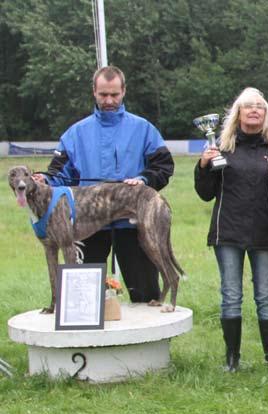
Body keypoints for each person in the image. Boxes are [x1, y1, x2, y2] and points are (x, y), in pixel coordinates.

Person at [34, 65, 174, 304]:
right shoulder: (75, 133)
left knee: (145, 295)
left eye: (114, 95)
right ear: (94, 92)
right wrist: (44, 180)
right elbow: (57, 174)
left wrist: (143, 180)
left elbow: (163, 167)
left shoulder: (144, 129)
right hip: (87, 225)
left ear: (124, 92)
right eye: (103, 95)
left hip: (133, 224)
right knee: (85, 301)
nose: (109, 100)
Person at [194, 87, 268, 371]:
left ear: (266, 114)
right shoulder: (220, 149)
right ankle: (232, 360)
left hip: (263, 231)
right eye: (248, 106)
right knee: (231, 296)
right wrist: (202, 165)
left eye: (260, 106)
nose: (254, 110)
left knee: (265, 296)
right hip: (228, 233)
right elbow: (205, 194)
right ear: (238, 113)